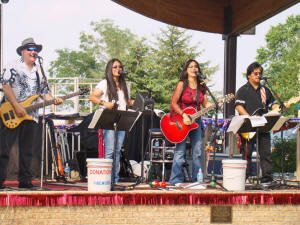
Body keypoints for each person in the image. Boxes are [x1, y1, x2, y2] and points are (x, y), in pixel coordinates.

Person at [0, 38, 63, 189]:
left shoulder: (39, 72)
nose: (33, 51)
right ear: (22, 51)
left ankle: (25, 181)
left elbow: (44, 93)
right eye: (30, 48)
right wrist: (16, 106)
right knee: (4, 148)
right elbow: (5, 85)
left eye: (35, 49)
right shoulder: (13, 66)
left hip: (31, 115)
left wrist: (54, 100)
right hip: (11, 111)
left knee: (27, 150)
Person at [235, 61, 289, 183]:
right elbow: (238, 106)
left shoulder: (265, 90)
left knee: (265, 152)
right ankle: (245, 177)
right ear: (249, 75)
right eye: (255, 73)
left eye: (260, 73)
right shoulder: (243, 90)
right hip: (248, 125)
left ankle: (267, 178)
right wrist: (250, 118)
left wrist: (281, 106)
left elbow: (273, 105)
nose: (258, 76)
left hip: (263, 124)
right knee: (246, 153)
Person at [89, 58, 134, 182]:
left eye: (120, 66)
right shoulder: (105, 83)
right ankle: (107, 179)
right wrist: (105, 103)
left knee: (117, 151)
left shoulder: (125, 85)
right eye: (115, 67)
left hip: (122, 119)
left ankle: (115, 179)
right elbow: (92, 97)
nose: (118, 69)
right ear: (110, 69)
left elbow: (126, 102)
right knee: (110, 151)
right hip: (108, 118)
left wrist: (136, 102)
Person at [169, 59, 210, 186]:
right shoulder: (182, 84)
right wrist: (183, 115)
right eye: (190, 67)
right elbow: (173, 103)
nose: (193, 69)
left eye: (196, 66)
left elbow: (205, 103)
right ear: (186, 70)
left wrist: (214, 104)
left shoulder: (202, 86)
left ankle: (196, 181)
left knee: (198, 152)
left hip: (196, 122)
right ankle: (176, 180)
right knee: (180, 151)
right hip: (181, 121)